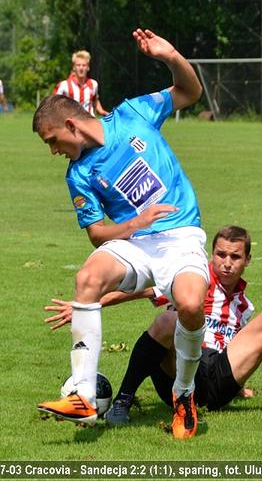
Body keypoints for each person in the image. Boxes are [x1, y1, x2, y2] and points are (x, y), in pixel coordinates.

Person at [33, 29, 209, 439]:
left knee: (188, 305)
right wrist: (134, 224)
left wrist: (170, 56)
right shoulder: (78, 175)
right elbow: (97, 234)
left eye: (52, 140)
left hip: (181, 235)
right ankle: (82, 395)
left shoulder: (133, 114)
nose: (53, 150)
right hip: (134, 244)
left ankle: (184, 394)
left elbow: (190, 91)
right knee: (87, 279)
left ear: (72, 125)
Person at [45, 225, 262, 425]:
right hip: (180, 370)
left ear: (247, 260)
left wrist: (242, 387)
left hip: (216, 380)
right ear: (210, 256)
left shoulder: (244, 306)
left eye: (235, 256)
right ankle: (122, 403)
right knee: (169, 319)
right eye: (220, 255)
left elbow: (238, 351)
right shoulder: (191, 279)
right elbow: (139, 291)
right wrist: (86, 305)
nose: (226, 262)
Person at [54, 50, 109, 116]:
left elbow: (95, 100)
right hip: (71, 122)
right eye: (78, 65)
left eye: (84, 65)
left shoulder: (94, 84)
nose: (81, 68)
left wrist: (102, 111)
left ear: (88, 67)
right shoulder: (64, 85)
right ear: (74, 67)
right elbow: (54, 104)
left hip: (89, 122)